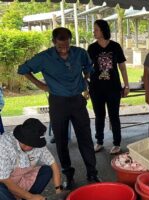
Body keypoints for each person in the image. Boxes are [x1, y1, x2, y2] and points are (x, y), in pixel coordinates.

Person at [18, 27, 101, 190]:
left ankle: (92, 173)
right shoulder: (44, 57)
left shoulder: (80, 53)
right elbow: (22, 69)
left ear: (70, 42)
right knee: (61, 140)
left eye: (67, 46)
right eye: (60, 47)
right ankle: (68, 175)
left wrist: (86, 82)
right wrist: (40, 85)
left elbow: (89, 67)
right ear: (53, 42)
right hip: (58, 102)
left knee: (85, 138)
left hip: (78, 101)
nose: (64, 50)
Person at [0, 118, 63, 200]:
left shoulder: (38, 143)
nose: (29, 147)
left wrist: (59, 192)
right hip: (4, 183)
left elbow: (54, 166)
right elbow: (5, 179)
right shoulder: (4, 143)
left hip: (20, 181)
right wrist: (30, 197)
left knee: (47, 170)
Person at [88, 20, 130, 154]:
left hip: (113, 88)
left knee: (114, 116)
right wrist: (85, 86)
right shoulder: (92, 48)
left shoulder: (115, 46)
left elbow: (122, 68)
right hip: (96, 88)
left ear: (103, 30)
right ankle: (99, 141)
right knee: (99, 115)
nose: (94, 32)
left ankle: (117, 143)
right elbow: (87, 69)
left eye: (96, 29)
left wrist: (126, 85)